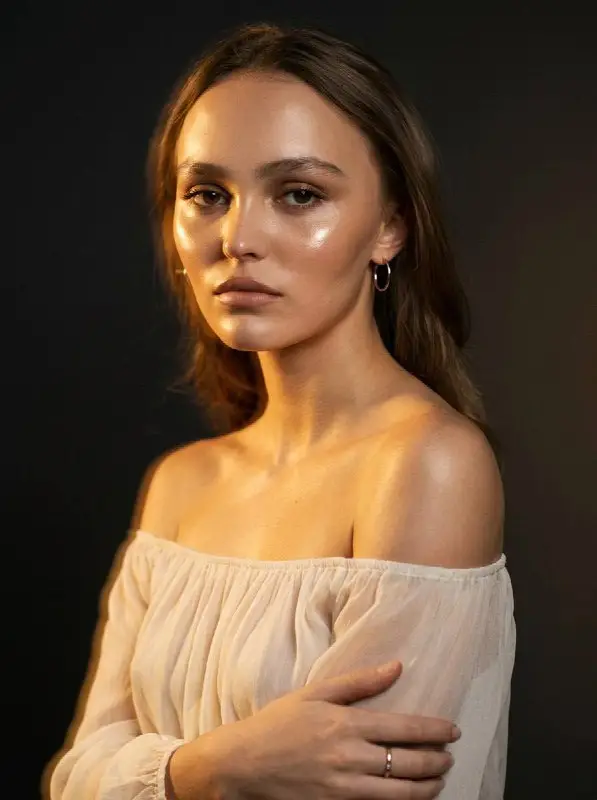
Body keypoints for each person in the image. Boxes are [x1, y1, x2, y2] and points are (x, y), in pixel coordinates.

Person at [45, 20, 516, 800]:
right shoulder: (181, 484)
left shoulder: (426, 466)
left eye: (299, 194)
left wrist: (156, 774)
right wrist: (218, 767)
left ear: (390, 228)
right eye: (206, 195)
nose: (237, 237)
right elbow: (75, 777)